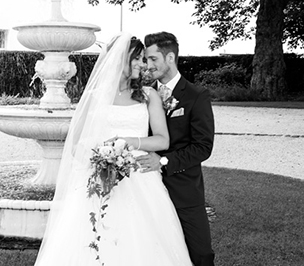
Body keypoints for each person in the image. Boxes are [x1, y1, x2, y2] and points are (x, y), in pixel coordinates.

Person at [34, 32, 193, 265]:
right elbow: (75, 144)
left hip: (139, 177)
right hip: (98, 180)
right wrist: (98, 162)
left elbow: (162, 140)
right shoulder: (93, 97)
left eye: (144, 59)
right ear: (120, 60)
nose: (143, 64)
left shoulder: (148, 96)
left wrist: (129, 142)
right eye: (137, 58)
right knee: (92, 238)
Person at [137, 31, 215, 266]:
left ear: (170, 58)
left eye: (153, 59)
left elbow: (203, 147)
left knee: (200, 253)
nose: (147, 66)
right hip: (146, 188)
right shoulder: (141, 94)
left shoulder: (196, 96)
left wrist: (162, 162)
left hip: (184, 190)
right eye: (145, 60)